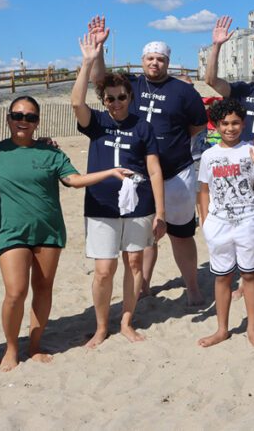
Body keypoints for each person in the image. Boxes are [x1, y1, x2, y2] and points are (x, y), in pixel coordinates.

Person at [0, 96, 133, 370]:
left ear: (37, 122)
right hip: (11, 232)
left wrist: (110, 172)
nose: (23, 121)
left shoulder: (51, 153)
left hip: (48, 230)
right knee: (15, 292)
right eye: (18, 115)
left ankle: (34, 345)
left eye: (30, 117)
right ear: (8, 118)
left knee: (43, 289)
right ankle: (10, 348)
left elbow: (74, 180)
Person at [87, 18, 207, 305]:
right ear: (142, 60)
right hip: (139, 175)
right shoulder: (130, 85)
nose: (155, 63)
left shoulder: (183, 91)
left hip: (176, 171)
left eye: (161, 59)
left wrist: (170, 144)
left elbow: (198, 126)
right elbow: (100, 81)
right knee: (146, 236)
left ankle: (192, 287)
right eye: (150, 58)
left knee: (180, 233)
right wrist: (100, 48)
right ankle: (144, 286)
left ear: (168, 62)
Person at [72, 35, 166, 347]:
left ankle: (126, 320)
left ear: (130, 97)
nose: (115, 103)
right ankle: (101, 327)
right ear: (104, 100)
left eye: (121, 97)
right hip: (101, 204)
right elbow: (76, 103)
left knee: (135, 264)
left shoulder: (142, 126)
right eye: (110, 98)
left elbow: (154, 169)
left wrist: (161, 214)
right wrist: (87, 62)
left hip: (138, 205)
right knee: (103, 270)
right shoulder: (97, 122)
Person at [196, 99, 254, 348]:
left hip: (248, 221)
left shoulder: (251, 150)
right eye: (225, 123)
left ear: (243, 123)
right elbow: (204, 189)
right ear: (217, 125)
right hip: (218, 224)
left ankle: (252, 329)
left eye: (236, 123)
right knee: (222, 277)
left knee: (250, 275)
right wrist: (205, 218)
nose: (230, 128)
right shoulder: (209, 155)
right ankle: (222, 329)